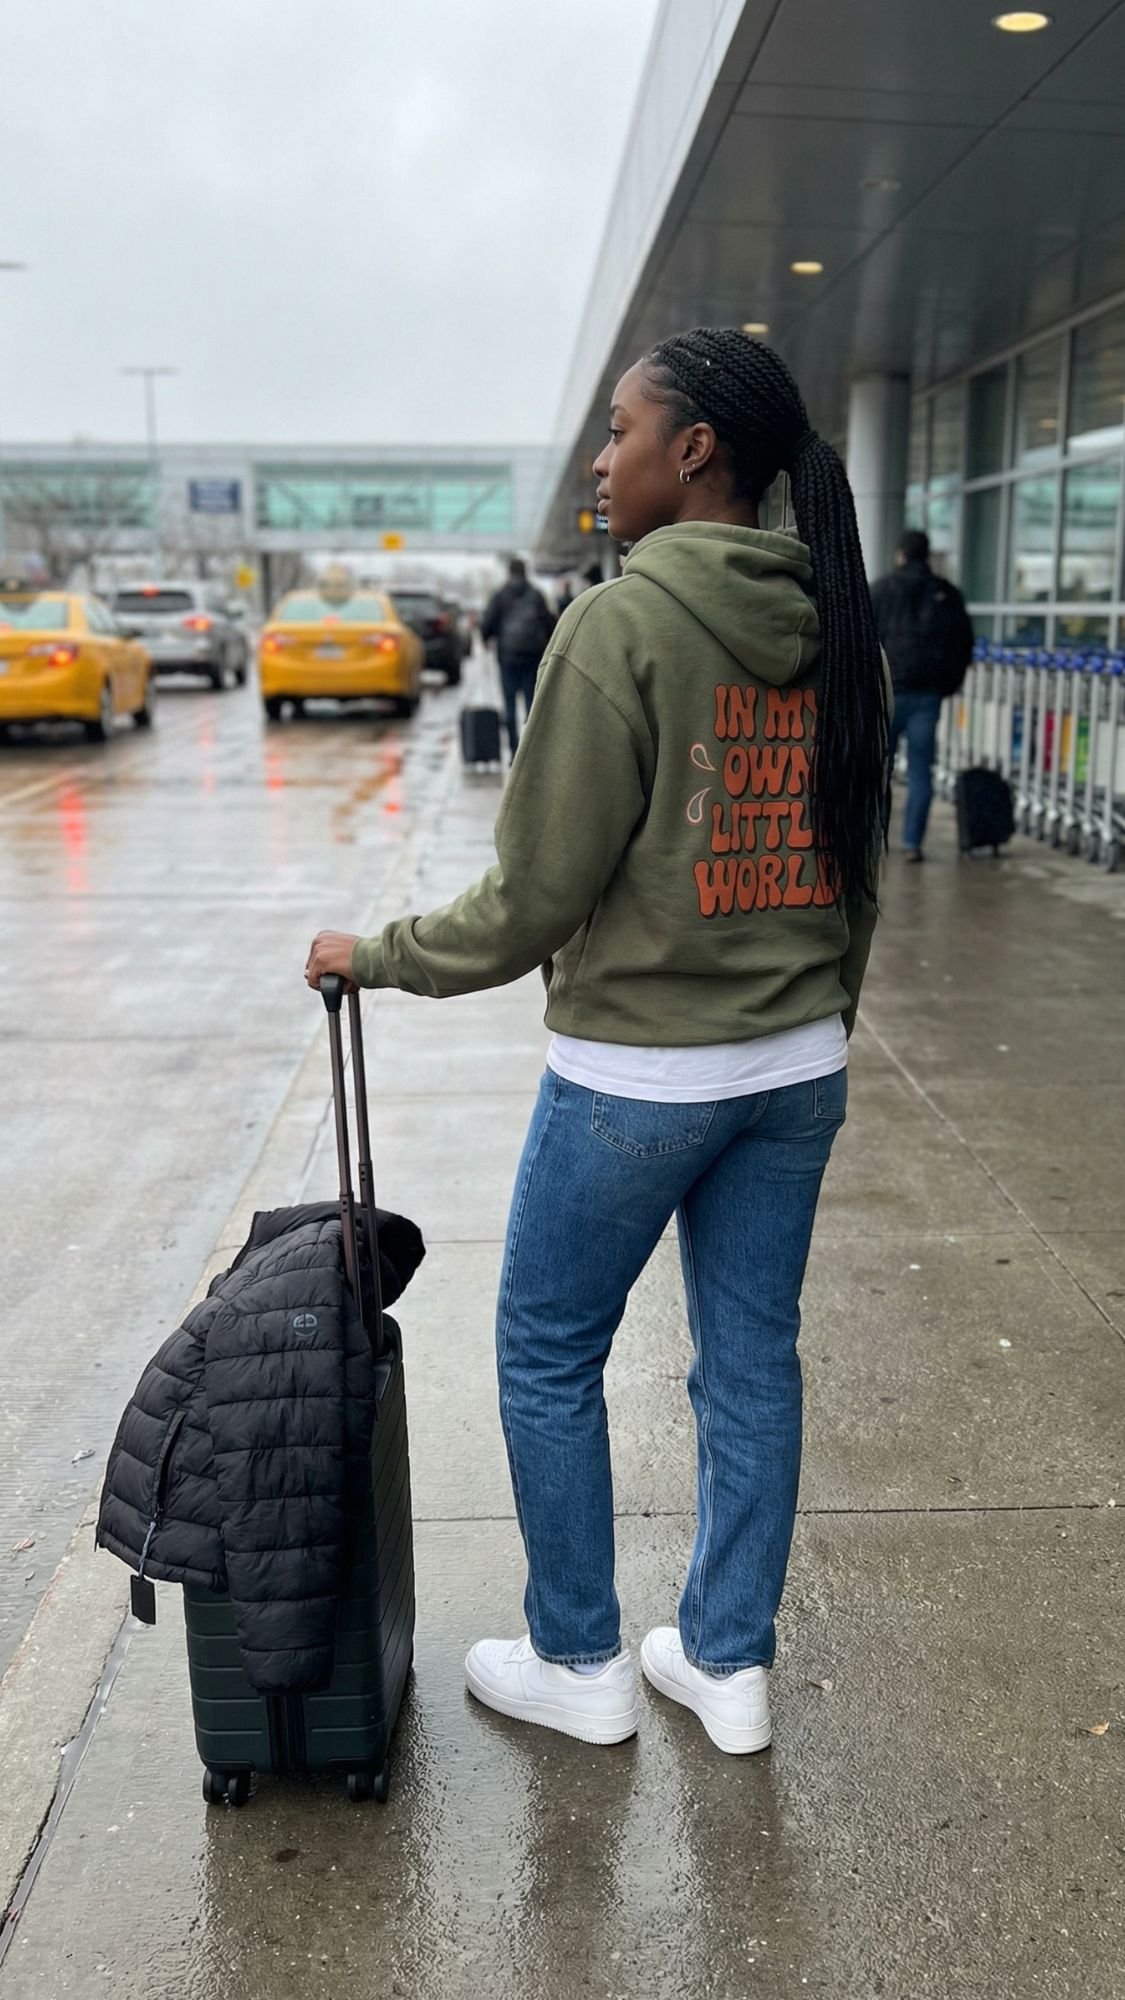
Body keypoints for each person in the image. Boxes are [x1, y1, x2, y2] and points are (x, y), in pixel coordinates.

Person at [306, 327, 889, 1757]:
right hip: (796, 1065)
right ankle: (727, 1663)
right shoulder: (838, 619)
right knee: (750, 1362)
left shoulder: (619, 626)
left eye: (620, 430)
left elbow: (531, 900)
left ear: (695, 452)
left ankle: (579, 1658)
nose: (600, 458)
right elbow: (857, 869)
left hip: (642, 1071)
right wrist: (815, 1015)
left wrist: (374, 955)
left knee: (546, 1349)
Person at [870, 529, 973, 862]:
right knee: (920, 771)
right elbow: (964, 645)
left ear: (901, 554)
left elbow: (862, 637)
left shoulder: (882, 590)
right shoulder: (946, 594)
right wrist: (948, 685)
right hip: (928, 696)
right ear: (927, 555)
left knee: (878, 767)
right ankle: (913, 843)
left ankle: (876, 836)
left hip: (888, 692)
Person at [480, 556, 554, 755]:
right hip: (532, 657)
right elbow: (549, 623)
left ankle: (514, 750)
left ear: (510, 573)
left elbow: (488, 624)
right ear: (524, 572)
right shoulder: (536, 595)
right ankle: (532, 750)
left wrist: (486, 638)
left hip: (508, 657)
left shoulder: (501, 595)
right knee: (532, 704)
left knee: (510, 704)